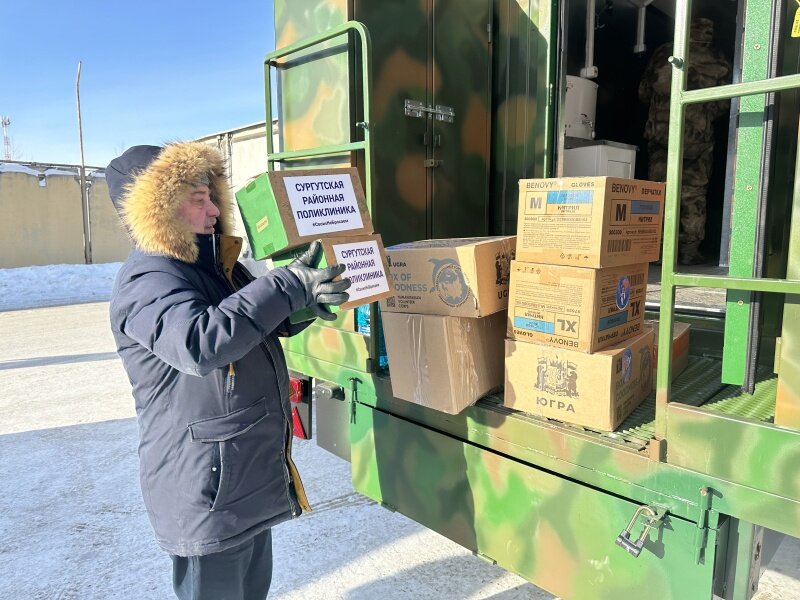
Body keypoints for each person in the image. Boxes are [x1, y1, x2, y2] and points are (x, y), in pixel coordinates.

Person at [106, 141, 350, 600]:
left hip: (243, 476)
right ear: (158, 211)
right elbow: (198, 342)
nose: (214, 210)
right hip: (206, 486)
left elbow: (253, 323)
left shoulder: (214, 266)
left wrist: (303, 304)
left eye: (212, 196)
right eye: (198, 200)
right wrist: (285, 285)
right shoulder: (149, 280)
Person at [639, 17, 732, 265]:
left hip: (663, 134)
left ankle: (656, 249)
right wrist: (703, 117)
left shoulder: (666, 53)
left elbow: (644, 92)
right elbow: (724, 103)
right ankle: (689, 249)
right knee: (694, 193)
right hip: (699, 138)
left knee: (660, 192)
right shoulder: (719, 59)